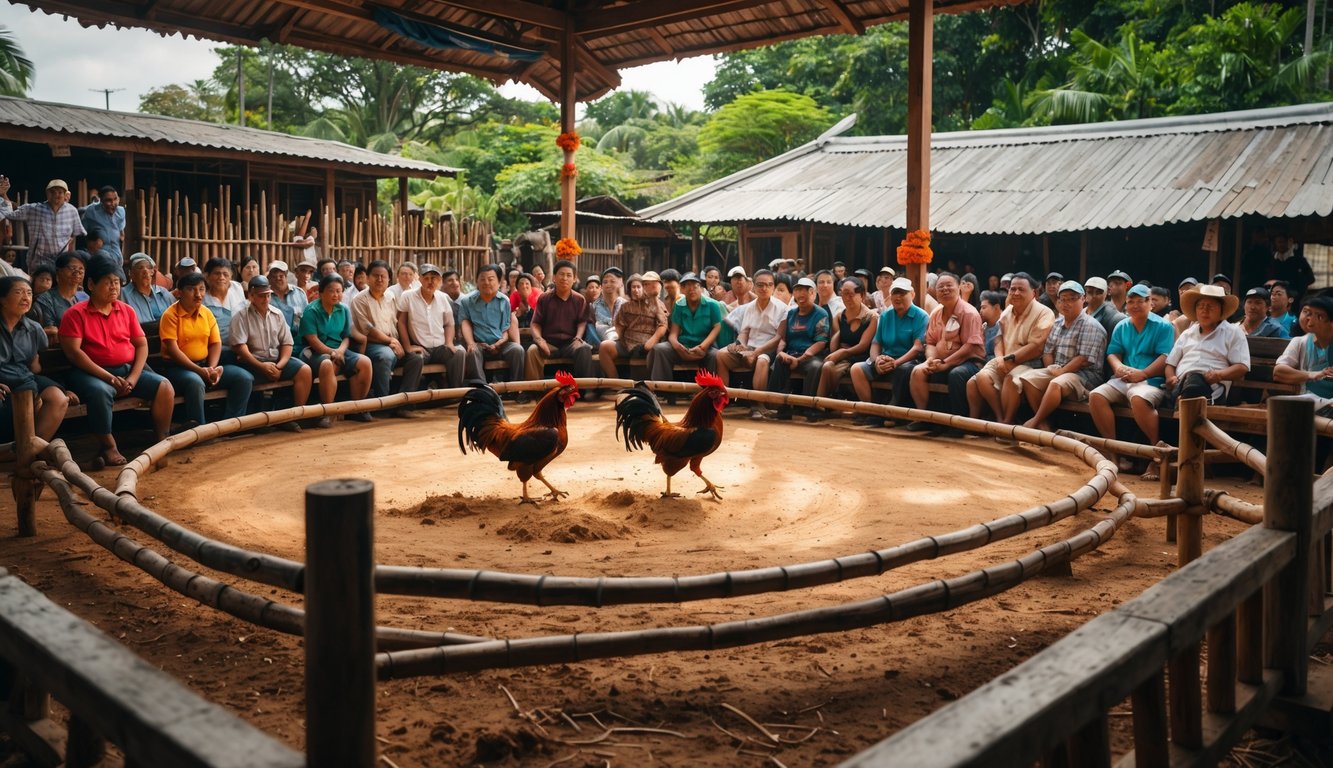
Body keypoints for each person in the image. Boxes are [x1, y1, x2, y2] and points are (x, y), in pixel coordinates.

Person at [59, 257, 174, 466]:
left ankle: (161, 442)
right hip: (90, 373)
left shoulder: (125, 310)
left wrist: (133, 377)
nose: (114, 287)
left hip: (126, 370)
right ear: (91, 284)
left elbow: (141, 345)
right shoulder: (75, 314)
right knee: (100, 392)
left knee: (164, 386)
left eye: (116, 282)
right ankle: (109, 446)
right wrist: (109, 378)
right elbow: (75, 354)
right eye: (108, 281)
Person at [1088, 284, 1176, 475]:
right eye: (1131, 301)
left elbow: (1165, 357)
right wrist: (1118, 367)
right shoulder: (1122, 325)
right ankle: (1114, 454)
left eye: (1140, 301)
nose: (1135, 305)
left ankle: (1157, 454)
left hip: (1152, 381)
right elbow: (1113, 353)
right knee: (1096, 396)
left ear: (1150, 303)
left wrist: (1143, 374)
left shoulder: (1163, 326)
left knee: (1138, 397)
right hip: (1125, 378)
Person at [158, 272, 254, 429]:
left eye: (202, 289)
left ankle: (230, 426)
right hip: (177, 368)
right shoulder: (170, 315)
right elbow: (173, 351)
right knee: (195, 382)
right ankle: (200, 431)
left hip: (205, 366)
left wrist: (212, 368)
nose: (198, 294)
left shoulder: (206, 312)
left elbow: (216, 343)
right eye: (192, 289)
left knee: (244, 378)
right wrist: (201, 371)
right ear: (180, 292)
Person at [1017, 280, 1107, 433]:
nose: (1066, 303)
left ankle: (1035, 421)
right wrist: (1051, 367)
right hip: (1061, 370)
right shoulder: (1058, 323)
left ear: (1083, 299)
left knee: (1056, 383)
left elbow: (1082, 359)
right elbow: (1048, 352)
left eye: (1072, 299)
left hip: (1086, 376)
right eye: (1063, 299)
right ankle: (1045, 425)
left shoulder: (1091, 325)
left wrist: (1060, 372)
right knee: (1027, 379)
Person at [966, 273, 1055, 425]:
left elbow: (1036, 347)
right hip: (1006, 358)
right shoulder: (1008, 310)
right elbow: (999, 338)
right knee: (977, 379)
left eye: (1021, 289)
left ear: (1033, 293)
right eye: (1012, 289)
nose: (1016, 293)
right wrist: (1000, 357)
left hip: (1030, 363)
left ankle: (1007, 422)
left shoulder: (1044, 313)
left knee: (1010, 380)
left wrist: (1010, 359)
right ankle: (998, 418)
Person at [905, 272, 987, 435]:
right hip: (941, 360)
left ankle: (959, 423)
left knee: (956, 374)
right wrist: (930, 360)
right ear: (935, 291)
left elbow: (970, 346)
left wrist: (947, 363)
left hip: (970, 362)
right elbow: (931, 342)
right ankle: (926, 418)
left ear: (958, 288)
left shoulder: (968, 312)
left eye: (949, 285)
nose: (944, 289)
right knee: (918, 371)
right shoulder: (936, 313)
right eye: (940, 287)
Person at [231, 275, 309, 431]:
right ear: (251, 296)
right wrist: (261, 366)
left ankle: (294, 416)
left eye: (268, 295)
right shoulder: (241, 315)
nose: (266, 299)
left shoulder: (277, 314)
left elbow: (287, 343)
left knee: (304, 370)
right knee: (244, 377)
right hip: (251, 362)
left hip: (276, 361)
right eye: (261, 296)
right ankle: (245, 425)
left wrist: (279, 366)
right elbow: (240, 348)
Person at [850, 277, 928, 426]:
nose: (898, 297)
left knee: (903, 370)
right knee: (856, 369)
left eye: (902, 293)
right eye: (894, 293)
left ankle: (894, 413)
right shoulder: (886, 315)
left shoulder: (921, 315)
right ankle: (871, 411)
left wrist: (896, 362)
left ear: (912, 294)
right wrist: (876, 359)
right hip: (885, 359)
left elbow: (917, 347)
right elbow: (876, 343)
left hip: (907, 360)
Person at [0, 276, 70, 441]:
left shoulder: (34, 329)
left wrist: (62, 386)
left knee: (58, 398)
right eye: (19, 292)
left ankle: (29, 450)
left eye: (29, 293)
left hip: (24, 378)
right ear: (2, 299)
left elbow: (35, 366)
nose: (26, 298)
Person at [352, 260, 424, 416]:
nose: (379, 280)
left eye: (383, 277)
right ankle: (383, 405)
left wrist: (404, 344)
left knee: (416, 359)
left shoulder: (391, 297)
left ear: (389, 279)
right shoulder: (359, 299)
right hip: (370, 344)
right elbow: (368, 330)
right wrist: (390, 341)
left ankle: (404, 404)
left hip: (393, 342)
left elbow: (396, 323)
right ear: (368, 278)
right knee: (385, 356)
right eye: (375, 276)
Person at [300, 274, 374, 425]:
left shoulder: (343, 309)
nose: (335, 294)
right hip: (313, 351)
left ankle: (357, 408)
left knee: (365, 362)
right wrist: (332, 353)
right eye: (331, 291)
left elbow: (346, 336)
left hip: (339, 349)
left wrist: (340, 350)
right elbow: (313, 341)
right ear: (321, 292)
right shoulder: (311, 310)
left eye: (339, 291)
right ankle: (328, 411)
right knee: (327, 365)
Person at [1164, 284, 1250, 404]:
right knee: (1187, 385)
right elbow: (1170, 364)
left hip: (1211, 387)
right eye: (1201, 306)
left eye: (1210, 306)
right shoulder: (1187, 334)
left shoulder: (1233, 332)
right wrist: (1170, 378)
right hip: (1181, 383)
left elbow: (1242, 367)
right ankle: (1182, 398)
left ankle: (1183, 400)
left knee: (1195, 384)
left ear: (1221, 310)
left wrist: (1219, 375)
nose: (1205, 310)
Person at [760, 276, 830, 420]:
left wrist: (802, 358)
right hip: (791, 354)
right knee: (779, 362)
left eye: (804, 290)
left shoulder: (820, 314)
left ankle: (809, 407)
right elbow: (783, 339)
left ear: (813, 293)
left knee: (816, 366)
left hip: (811, 356)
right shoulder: (791, 313)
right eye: (797, 290)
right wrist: (781, 353)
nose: (800, 294)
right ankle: (780, 407)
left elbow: (821, 342)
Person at [811, 276, 877, 415]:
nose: (847, 298)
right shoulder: (840, 316)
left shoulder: (871, 317)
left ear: (862, 295)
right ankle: (820, 405)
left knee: (846, 365)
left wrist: (842, 352)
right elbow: (834, 347)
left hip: (862, 357)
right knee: (827, 365)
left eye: (851, 294)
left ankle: (867, 411)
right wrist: (840, 331)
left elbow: (863, 345)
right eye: (844, 294)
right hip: (844, 358)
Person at [716, 268, 785, 396]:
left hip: (769, 349)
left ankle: (758, 405)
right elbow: (745, 331)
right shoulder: (749, 307)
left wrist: (755, 352)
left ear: (774, 287)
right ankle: (724, 398)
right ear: (753, 286)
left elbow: (778, 338)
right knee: (721, 355)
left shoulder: (782, 308)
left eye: (769, 285)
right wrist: (740, 344)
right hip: (749, 347)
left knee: (762, 361)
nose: (765, 288)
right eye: (760, 285)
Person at [396, 263, 465, 392]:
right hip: (420, 346)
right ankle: (407, 402)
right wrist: (407, 347)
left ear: (439, 281)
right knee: (416, 358)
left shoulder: (443, 297)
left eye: (434, 278)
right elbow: (401, 323)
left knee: (459, 353)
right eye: (426, 278)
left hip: (440, 348)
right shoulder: (408, 296)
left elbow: (449, 323)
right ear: (420, 279)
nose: (430, 282)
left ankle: (456, 394)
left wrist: (449, 342)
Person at [457, 264, 526, 388]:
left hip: (501, 344)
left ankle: (516, 388)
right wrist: (471, 342)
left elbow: (506, 329)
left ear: (499, 282)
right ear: (477, 281)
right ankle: (481, 388)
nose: (486, 282)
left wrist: (499, 343)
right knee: (472, 351)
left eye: (491, 279)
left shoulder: (504, 301)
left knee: (517, 349)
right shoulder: (467, 301)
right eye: (482, 279)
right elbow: (465, 323)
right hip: (479, 345)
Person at [647, 272, 721, 385]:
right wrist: (677, 346)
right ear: (682, 289)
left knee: (715, 355)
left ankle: (710, 392)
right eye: (687, 286)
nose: (691, 290)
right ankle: (662, 390)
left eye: (695, 286)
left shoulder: (713, 305)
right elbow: (673, 333)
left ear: (701, 288)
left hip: (705, 347)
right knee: (659, 349)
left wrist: (703, 347)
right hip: (683, 346)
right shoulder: (679, 305)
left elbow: (717, 327)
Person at [526, 259, 595, 380]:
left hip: (570, 344)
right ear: (554, 277)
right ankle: (532, 391)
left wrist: (578, 338)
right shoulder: (544, 298)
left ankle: (586, 389)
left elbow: (582, 322)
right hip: (548, 344)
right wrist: (539, 339)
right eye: (561, 274)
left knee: (584, 348)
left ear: (574, 279)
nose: (564, 278)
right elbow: (535, 323)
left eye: (569, 275)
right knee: (532, 351)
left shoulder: (580, 299)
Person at [0, 178, 86, 273]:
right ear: (47, 194)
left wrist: (70, 260)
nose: (56, 194)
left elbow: (73, 238)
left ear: (65, 194)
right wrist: (4, 194)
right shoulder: (35, 209)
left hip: (62, 262)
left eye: (60, 192)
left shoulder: (72, 211)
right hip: (39, 262)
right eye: (52, 192)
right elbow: (10, 214)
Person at [598, 271, 667, 380]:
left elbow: (662, 325)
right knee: (604, 347)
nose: (636, 290)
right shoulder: (625, 306)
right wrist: (623, 340)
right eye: (633, 287)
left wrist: (651, 342)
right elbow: (619, 326)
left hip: (648, 345)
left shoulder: (656, 303)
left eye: (638, 287)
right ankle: (616, 383)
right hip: (628, 345)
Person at [1273, 295, 1333, 402]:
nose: (1309, 318)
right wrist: (1312, 374)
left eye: (1319, 316)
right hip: (1310, 401)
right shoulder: (1300, 342)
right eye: (1306, 312)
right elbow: (1278, 372)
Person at [32, 251, 89, 338]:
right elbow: (51, 331)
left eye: (81, 268)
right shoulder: (46, 299)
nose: (77, 272)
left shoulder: (85, 297)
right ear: (59, 271)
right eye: (72, 268)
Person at [201, 257, 248, 358]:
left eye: (225, 274)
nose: (221, 277)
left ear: (231, 276)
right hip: (217, 349)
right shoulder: (202, 297)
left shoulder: (237, 288)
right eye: (217, 273)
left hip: (242, 344)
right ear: (207, 276)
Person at [121, 252, 173, 324]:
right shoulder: (123, 294)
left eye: (148, 267)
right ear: (131, 274)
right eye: (140, 268)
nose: (145, 270)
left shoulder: (163, 292)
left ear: (152, 272)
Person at [81, 186, 127, 262]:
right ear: (101, 200)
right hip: (100, 259)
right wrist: (91, 244)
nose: (113, 203)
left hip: (117, 258)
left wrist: (121, 235)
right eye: (108, 200)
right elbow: (82, 233)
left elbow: (121, 232)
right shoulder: (92, 211)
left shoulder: (121, 211)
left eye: (115, 199)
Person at [1266, 231, 1315, 301]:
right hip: (1276, 298)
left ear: (1288, 243)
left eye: (1283, 242)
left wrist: (1298, 290)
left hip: (1295, 298)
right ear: (1275, 244)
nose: (1281, 244)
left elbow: (1311, 278)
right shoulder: (1272, 260)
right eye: (1279, 242)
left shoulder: (1299, 259)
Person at [267, 260, 307, 336]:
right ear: (269, 278)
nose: (278, 278)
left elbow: (307, 318)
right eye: (274, 276)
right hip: (274, 340)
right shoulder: (265, 295)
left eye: (281, 276)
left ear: (286, 276)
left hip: (299, 339)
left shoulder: (299, 293)